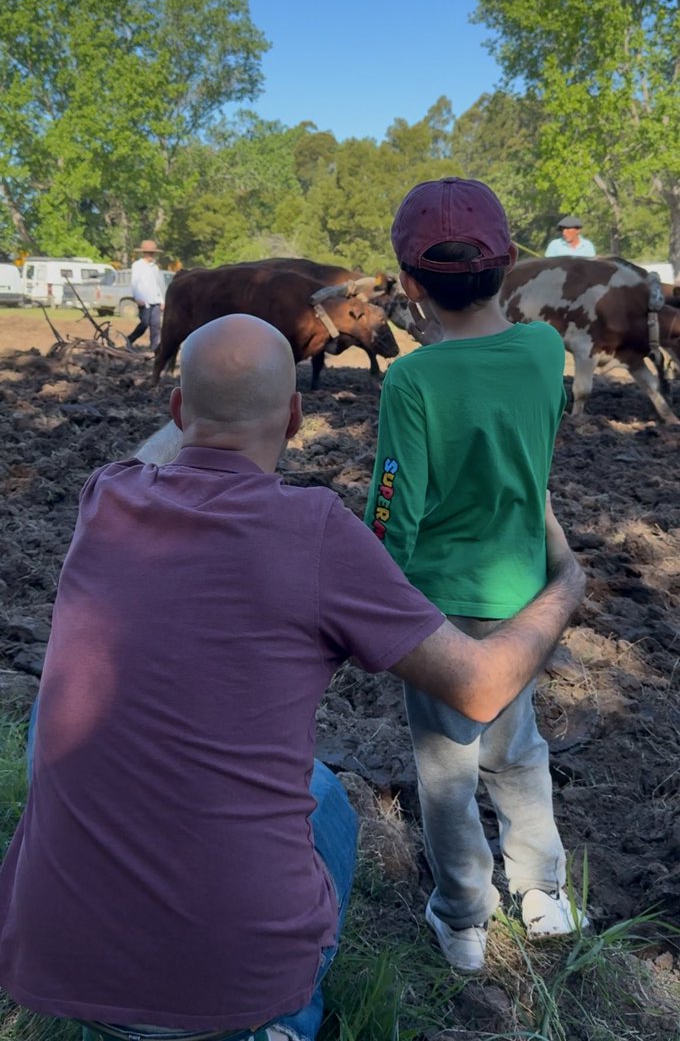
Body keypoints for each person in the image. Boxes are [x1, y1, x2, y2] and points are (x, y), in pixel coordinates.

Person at [0, 315, 584, 1041]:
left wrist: (198, 410)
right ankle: (277, 1021)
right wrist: (566, 585)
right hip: (229, 976)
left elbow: (158, 448)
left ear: (179, 413)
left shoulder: (104, 498)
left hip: (54, 955)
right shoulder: (313, 530)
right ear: (298, 418)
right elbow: (481, 685)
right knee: (323, 794)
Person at [365, 177, 589, 974]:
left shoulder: (413, 380)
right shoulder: (543, 349)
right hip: (523, 592)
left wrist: (366, 608)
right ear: (514, 263)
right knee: (519, 749)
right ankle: (544, 892)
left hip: (443, 612)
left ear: (410, 282)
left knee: (446, 771)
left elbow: (394, 508)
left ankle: (463, 918)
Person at [127, 239, 166, 350]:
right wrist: (137, 298)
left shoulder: (155, 267)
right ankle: (130, 339)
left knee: (156, 325)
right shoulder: (137, 265)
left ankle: (155, 347)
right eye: (148, 253)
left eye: (152, 253)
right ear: (143, 253)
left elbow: (159, 285)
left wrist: (162, 301)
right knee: (144, 323)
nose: (150, 255)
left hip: (156, 300)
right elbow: (134, 283)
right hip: (144, 300)